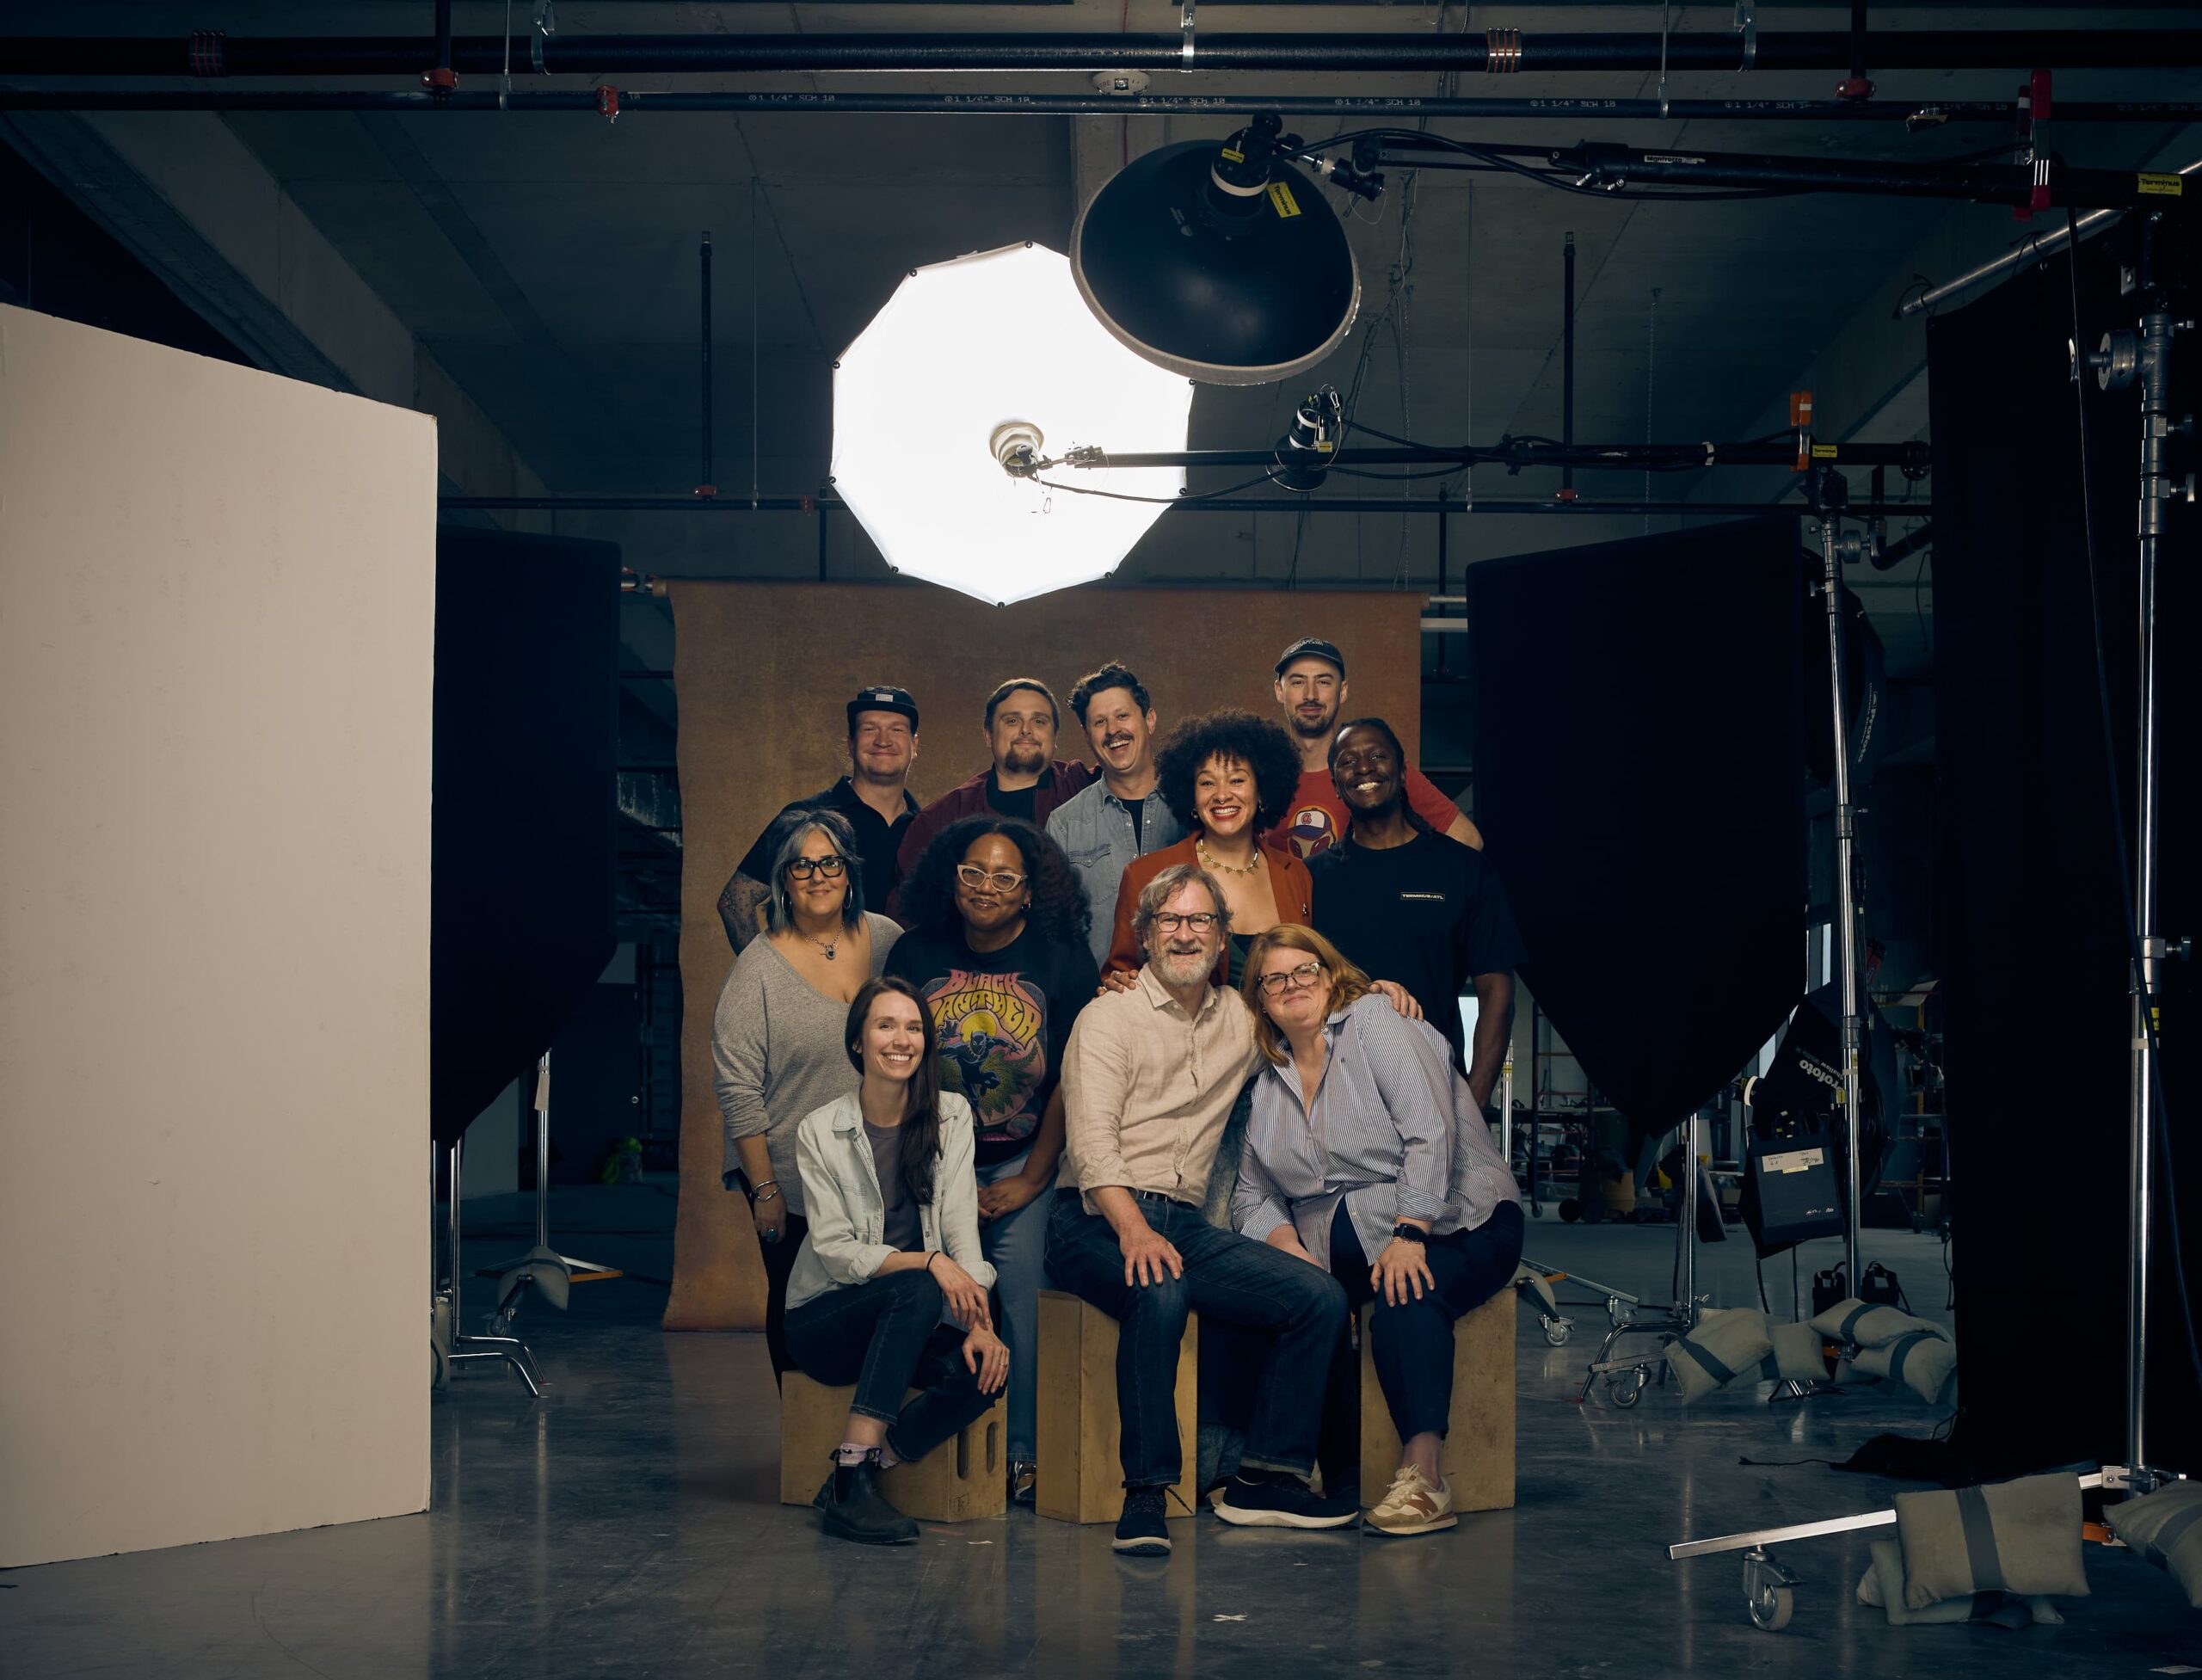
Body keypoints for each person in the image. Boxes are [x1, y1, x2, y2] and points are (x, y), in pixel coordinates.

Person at [1048, 864, 1359, 1556]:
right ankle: (1147, 1495)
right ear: (1146, 935)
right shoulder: (1107, 1017)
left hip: (1185, 1223)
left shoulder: (1243, 1021)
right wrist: (1132, 1229)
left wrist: (1385, 994)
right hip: (1092, 1218)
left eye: (1201, 921)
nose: (1186, 933)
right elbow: (1092, 1142)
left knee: (1319, 1296)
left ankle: (1266, 1476)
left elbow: (1313, 1004)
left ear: (1223, 938)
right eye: (1170, 920)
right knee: (1160, 1290)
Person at [1233, 926, 1525, 1536]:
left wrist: (1409, 1231)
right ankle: (1340, 1475)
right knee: (1310, 1304)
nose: (1293, 985)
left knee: (1403, 1293)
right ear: (1259, 999)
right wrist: (1298, 1262)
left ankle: (1426, 1479)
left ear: (1331, 973)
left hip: (1457, 1219)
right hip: (1347, 1248)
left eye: (1305, 970)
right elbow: (1251, 1194)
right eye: (1274, 978)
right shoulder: (1268, 1083)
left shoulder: (1375, 1022)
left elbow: (1430, 1129)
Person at [884, 816, 1098, 1504]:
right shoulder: (915, 955)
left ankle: (1023, 1455)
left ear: (1029, 892)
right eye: (973, 872)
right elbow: (899, 1066)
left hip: (1021, 1165)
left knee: (1023, 1301)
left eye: (1005, 877)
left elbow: (1071, 1076)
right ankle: (946, 1448)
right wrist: (939, 1177)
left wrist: (1032, 1177)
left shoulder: (1064, 960)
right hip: (932, 1160)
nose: (986, 887)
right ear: (952, 877)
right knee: (945, 1306)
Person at [784, 975, 1008, 1545]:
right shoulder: (821, 1130)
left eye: (913, 1027)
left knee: (986, 1370)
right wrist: (928, 1261)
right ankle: (853, 1477)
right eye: (885, 1025)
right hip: (824, 1319)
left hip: (905, 1319)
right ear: (859, 1041)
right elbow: (836, 1252)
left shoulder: (951, 1116)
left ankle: (857, 1470)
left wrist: (982, 1326)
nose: (901, 1039)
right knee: (917, 1285)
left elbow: (962, 1235)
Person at [713, 809, 902, 1382]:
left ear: (849, 872)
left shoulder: (889, 940)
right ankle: (802, 1442)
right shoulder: (759, 968)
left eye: (830, 862)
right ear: (784, 880)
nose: (818, 875)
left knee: (878, 1302)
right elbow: (737, 1084)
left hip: (879, 1167)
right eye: (802, 865)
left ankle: (857, 1437)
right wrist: (765, 1187)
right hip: (790, 1174)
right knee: (798, 1305)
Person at [1310, 717, 1527, 1086]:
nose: (1364, 767)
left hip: (1436, 1087)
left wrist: (1474, 1100)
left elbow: (1497, 993)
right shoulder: (1312, 878)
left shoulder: (1464, 869)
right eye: (1348, 761)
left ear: (1403, 771)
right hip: (1337, 1093)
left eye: (1378, 755)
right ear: (1335, 783)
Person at [1104, 708, 1311, 990]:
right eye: (1207, 783)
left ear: (1262, 791)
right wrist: (1118, 982)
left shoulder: (1295, 874)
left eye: (1237, 780)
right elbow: (1120, 976)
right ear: (1191, 794)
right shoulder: (1145, 875)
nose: (1222, 795)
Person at [717, 686, 921, 952]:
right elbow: (735, 900)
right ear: (850, 743)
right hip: (823, 989)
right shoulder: (804, 819)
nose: (883, 740)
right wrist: (776, 977)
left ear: (914, 745)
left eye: (897, 729)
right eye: (869, 729)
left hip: (901, 991)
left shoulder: (926, 827)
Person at [1270, 637, 1484, 860]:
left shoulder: (1378, 771)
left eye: (1323, 682)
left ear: (1342, 691)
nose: (1311, 695)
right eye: (1298, 682)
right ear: (1279, 691)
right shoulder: (1260, 775)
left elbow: (1469, 839)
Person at [891, 679, 1095, 904]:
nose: (1026, 730)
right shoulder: (942, 818)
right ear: (988, 734)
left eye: (1039, 721)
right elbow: (908, 909)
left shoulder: (1084, 786)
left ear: (1055, 735)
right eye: (1012, 720)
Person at [1046, 662, 1184, 970]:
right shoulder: (1064, 825)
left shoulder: (1194, 806)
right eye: (1099, 722)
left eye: (1122, 716)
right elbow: (1056, 933)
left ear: (1149, 719)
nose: (1112, 731)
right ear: (1086, 735)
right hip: (1106, 1000)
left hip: (1195, 996)